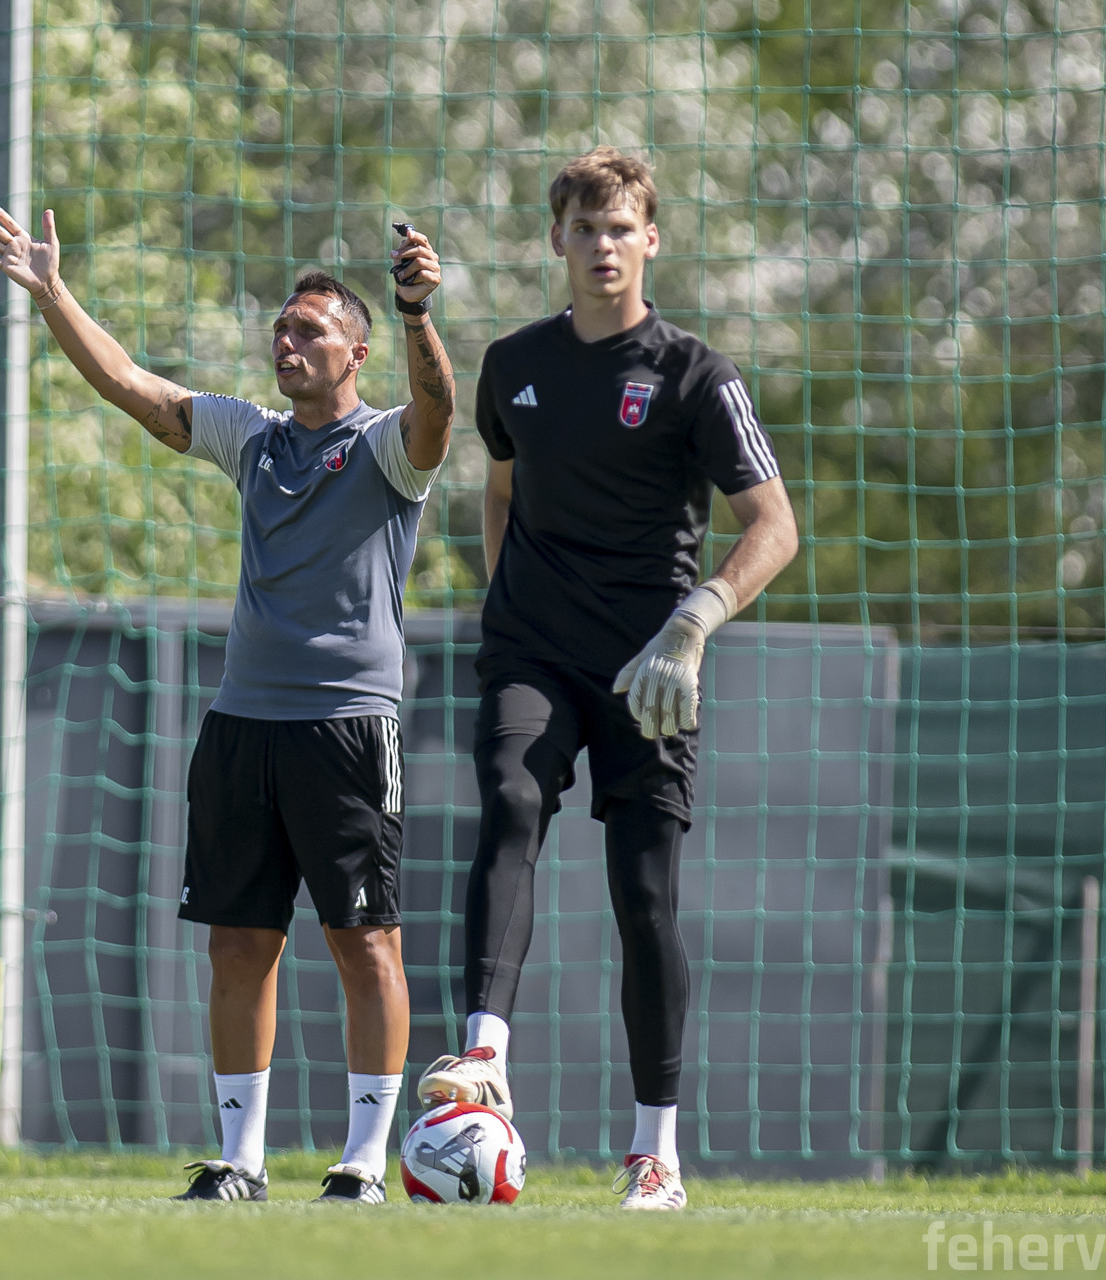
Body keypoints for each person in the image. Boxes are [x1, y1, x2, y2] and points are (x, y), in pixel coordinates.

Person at [0, 204, 454, 1203]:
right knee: (238, 942)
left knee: (366, 942)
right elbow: (131, 385)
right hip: (242, 728)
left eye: (309, 330)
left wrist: (417, 314)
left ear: (357, 352)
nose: (287, 342)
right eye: (280, 328)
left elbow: (439, 410)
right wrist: (53, 292)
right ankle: (241, 1160)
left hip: (349, 728)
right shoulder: (254, 439)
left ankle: (364, 1162)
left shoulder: (385, 448)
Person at [414, 148, 800, 1210]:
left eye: (621, 227)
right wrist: (512, 604)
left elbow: (774, 525)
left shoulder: (697, 375)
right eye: (584, 228)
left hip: (650, 667)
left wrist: (696, 621)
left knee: (644, 896)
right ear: (558, 240)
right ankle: (484, 1057)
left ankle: (655, 1153)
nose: (602, 246)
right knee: (510, 799)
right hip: (533, 651)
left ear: (651, 240)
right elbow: (500, 489)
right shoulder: (513, 364)